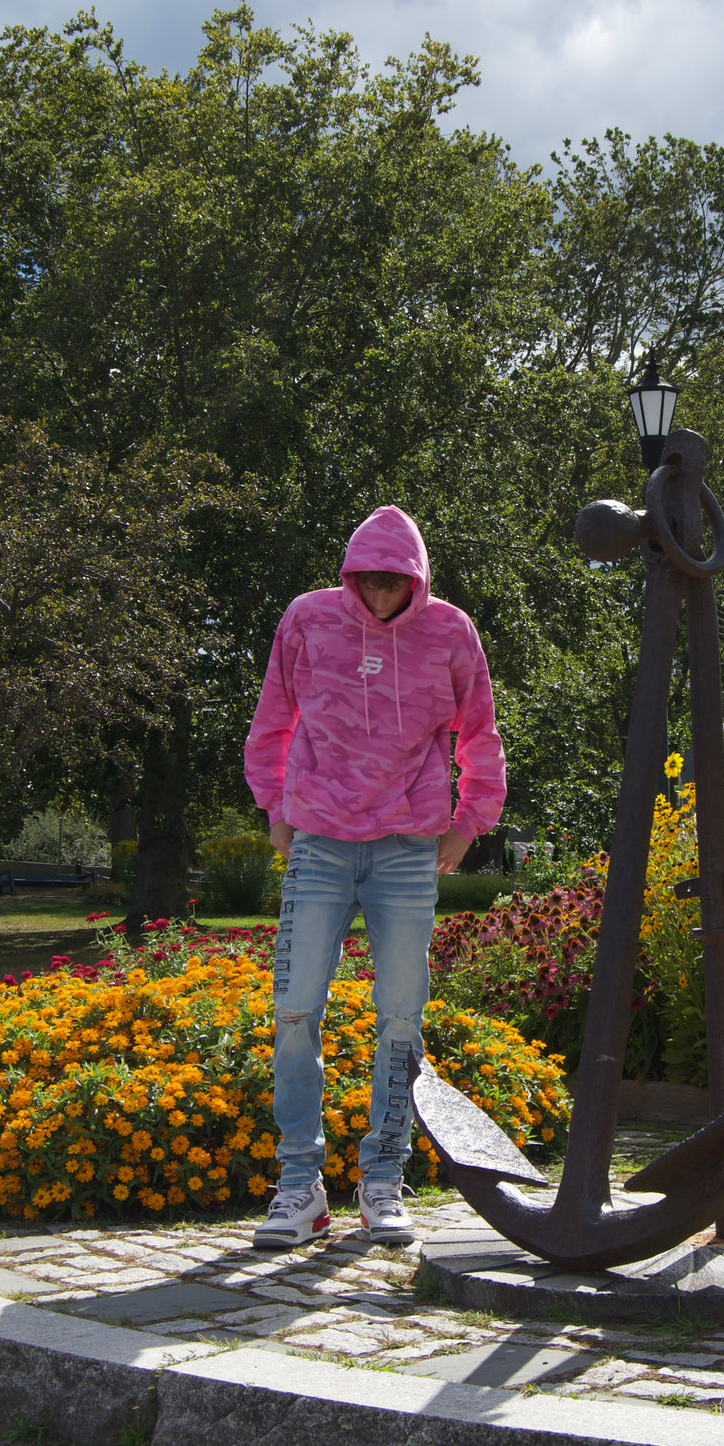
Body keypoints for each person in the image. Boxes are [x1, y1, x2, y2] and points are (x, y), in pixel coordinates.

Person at [244, 504, 506, 1248]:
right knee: (294, 1011)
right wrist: (274, 808)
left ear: (415, 580)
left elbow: (479, 729)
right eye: (370, 581)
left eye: (396, 583)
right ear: (351, 576)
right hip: (319, 841)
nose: (383, 595)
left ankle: (382, 1181)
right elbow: (274, 715)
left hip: (406, 847)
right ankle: (300, 1188)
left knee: (399, 1015)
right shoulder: (307, 620)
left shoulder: (450, 631)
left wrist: (468, 822)